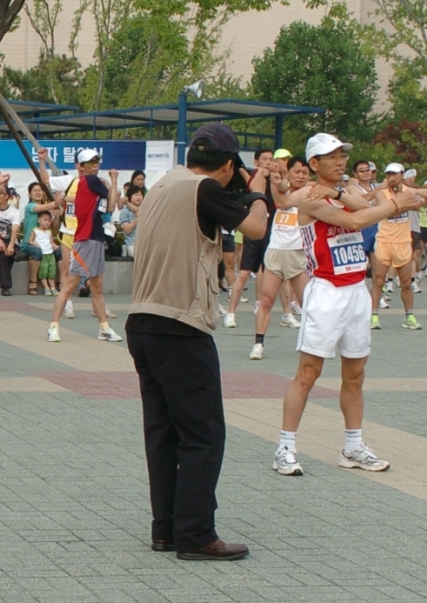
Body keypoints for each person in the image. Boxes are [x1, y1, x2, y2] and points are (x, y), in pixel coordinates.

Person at [126, 123, 269, 561]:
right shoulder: (205, 188)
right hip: (181, 325)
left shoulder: (164, 183)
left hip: (142, 321)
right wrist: (258, 188)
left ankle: (166, 529)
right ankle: (196, 534)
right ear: (229, 166)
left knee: (163, 432)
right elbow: (257, 228)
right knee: (203, 433)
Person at [273, 134, 424, 477]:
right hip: (326, 291)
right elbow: (358, 221)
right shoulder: (310, 197)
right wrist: (403, 203)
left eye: (343, 155)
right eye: (332, 157)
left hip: (357, 289)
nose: (340, 161)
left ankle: (353, 446)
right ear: (314, 164)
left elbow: (363, 206)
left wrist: (342, 193)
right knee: (308, 373)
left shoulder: (347, 191)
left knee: (355, 374)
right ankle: (285, 447)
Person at [47, 147, 122, 343]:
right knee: (70, 285)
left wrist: (112, 183)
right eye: (90, 163)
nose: (95, 165)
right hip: (86, 239)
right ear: (81, 167)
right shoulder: (91, 181)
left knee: (96, 287)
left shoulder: (85, 183)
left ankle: (104, 329)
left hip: (95, 239)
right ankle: (53, 327)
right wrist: (114, 181)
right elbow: (113, 202)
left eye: (97, 161)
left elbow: (111, 205)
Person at [249, 156, 311, 360]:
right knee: (266, 299)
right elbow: (281, 188)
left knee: (307, 303)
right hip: (275, 251)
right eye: (297, 171)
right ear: (289, 172)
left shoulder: (312, 191)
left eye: (304, 172)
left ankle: (312, 343)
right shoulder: (281, 188)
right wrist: (276, 176)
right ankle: (258, 343)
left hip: (298, 254)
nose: (300, 176)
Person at [222, 149, 274, 328]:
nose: (268, 162)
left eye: (270, 159)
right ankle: (231, 312)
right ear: (256, 160)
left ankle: (261, 304)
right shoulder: (251, 176)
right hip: (254, 230)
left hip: (272, 232)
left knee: (267, 271)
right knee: (243, 272)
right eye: (264, 159)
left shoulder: (276, 179)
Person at [368, 164, 423, 331]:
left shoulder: (408, 191)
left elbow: (419, 205)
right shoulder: (380, 193)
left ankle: (409, 317)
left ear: (402, 175)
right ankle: (373, 316)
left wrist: (407, 203)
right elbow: (388, 211)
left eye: (395, 174)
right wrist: (407, 205)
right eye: (388, 174)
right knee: (378, 280)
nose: (392, 177)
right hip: (384, 240)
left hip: (403, 242)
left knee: (406, 282)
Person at [30, 209, 59, 294]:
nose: (47, 222)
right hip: (42, 254)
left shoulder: (49, 232)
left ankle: (53, 287)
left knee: (51, 270)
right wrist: (36, 245)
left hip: (50, 253)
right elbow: (30, 240)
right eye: (45, 220)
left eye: (49, 221)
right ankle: (46, 287)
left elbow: (51, 242)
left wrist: (55, 247)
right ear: (39, 220)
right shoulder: (35, 230)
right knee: (43, 270)